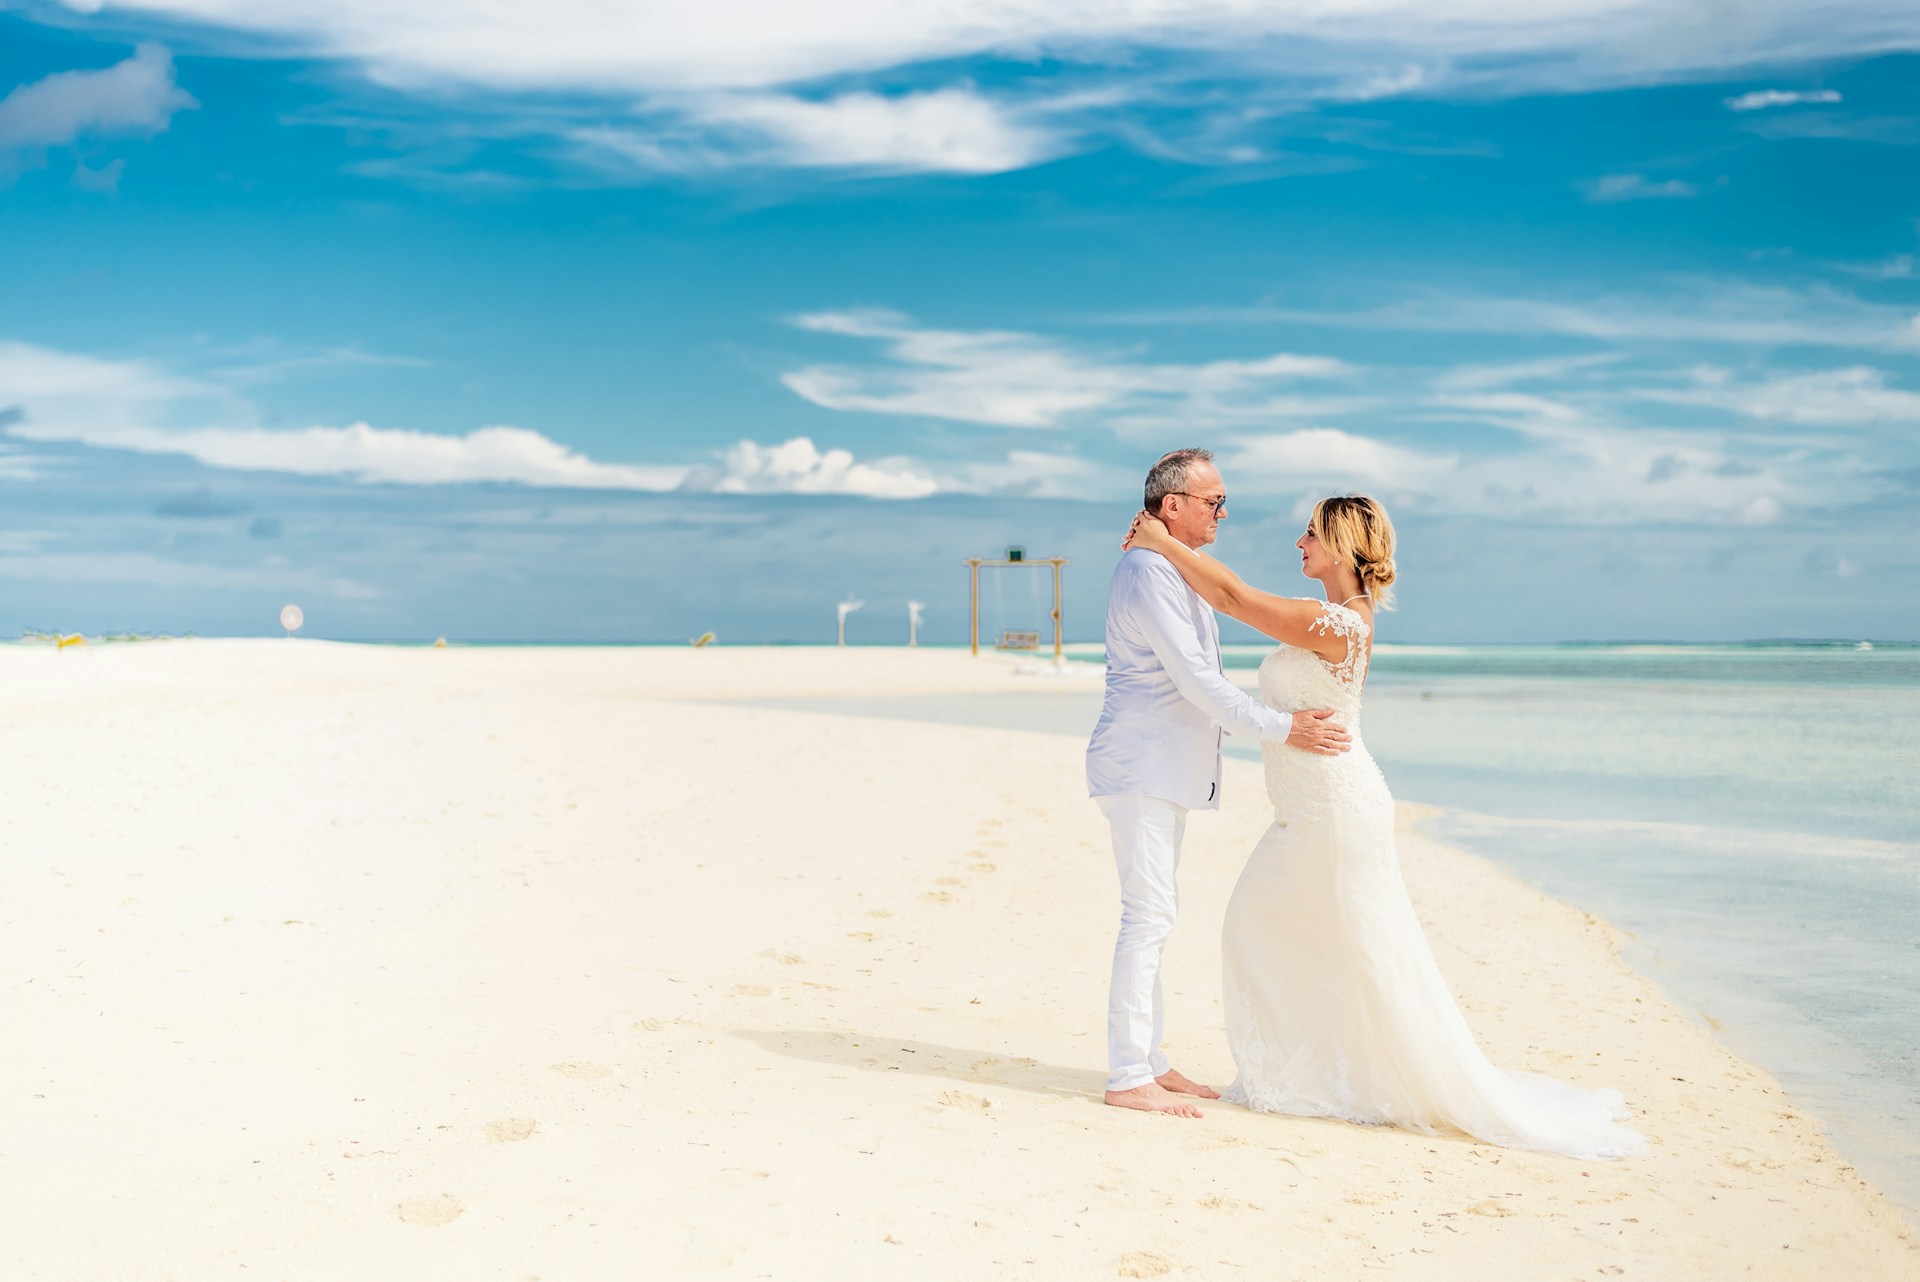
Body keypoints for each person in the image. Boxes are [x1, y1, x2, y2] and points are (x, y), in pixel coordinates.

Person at [1124, 493, 1645, 1158]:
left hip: (1335, 809)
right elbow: (1229, 600)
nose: (1299, 543)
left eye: (1309, 533)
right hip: (1308, 811)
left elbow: (1231, 599)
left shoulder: (1340, 624)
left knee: (1313, 935)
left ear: (1340, 546)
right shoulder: (1332, 618)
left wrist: (1160, 541)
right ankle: (1310, 1074)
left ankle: (1316, 1079)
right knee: (1297, 935)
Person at [1086, 449, 1352, 1119]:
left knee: (1157, 911)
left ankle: (1149, 1060)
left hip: (1162, 766)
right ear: (1171, 505)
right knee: (1146, 917)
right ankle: (1126, 1074)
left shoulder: (1174, 568)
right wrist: (1280, 727)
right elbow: (1196, 681)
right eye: (1213, 501)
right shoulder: (1150, 571)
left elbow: (1226, 602)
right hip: (1142, 763)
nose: (1224, 512)